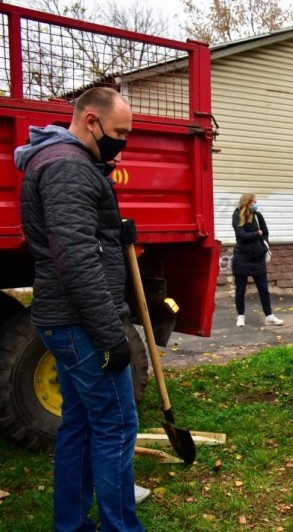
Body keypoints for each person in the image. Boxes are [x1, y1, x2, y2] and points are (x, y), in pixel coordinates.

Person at [16, 87, 145, 531]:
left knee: (79, 424)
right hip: (81, 322)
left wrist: (111, 229)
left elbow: (80, 237)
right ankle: (120, 527)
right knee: (116, 426)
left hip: (65, 320)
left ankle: (70, 524)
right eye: (119, 133)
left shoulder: (63, 162)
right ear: (91, 121)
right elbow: (75, 257)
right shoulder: (68, 169)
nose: (122, 144)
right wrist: (111, 334)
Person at [232, 193, 283, 327]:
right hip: (242, 258)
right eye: (254, 202)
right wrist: (257, 234)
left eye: (256, 202)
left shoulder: (258, 216)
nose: (256, 204)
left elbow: (265, 232)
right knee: (240, 290)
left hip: (257, 258)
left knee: (263, 289)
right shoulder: (237, 215)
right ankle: (241, 316)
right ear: (247, 202)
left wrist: (263, 246)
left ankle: (269, 316)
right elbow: (241, 235)